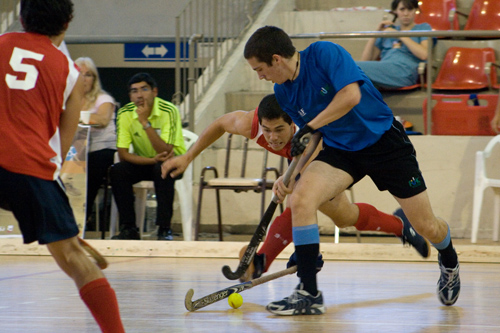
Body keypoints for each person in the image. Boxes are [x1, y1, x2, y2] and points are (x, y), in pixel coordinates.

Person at [244, 26, 460, 315]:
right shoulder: (282, 92)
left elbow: (350, 97)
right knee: (301, 199)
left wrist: (309, 127)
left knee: (427, 226)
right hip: (341, 150)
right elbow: (312, 137)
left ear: (276, 59)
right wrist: (290, 177)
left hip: (384, 143)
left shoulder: (325, 54)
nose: (260, 76)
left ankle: (449, 258)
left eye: (260, 69)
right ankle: (308, 291)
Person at [162, 94, 430, 282]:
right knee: (345, 216)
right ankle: (400, 225)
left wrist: (290, 178)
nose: (272, 138)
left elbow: (309, 169)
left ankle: (263, 262)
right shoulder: (250, 124)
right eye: (267, 130)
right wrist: (187, 157)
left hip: (328, 159)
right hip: (299, 162)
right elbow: (220, 124)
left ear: (292, 124)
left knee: (308, 203)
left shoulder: (307, 129)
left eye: (279, 130)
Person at [0, 1, 124, 332]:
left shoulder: (0, 43)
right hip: (29, 167)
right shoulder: (72, 73)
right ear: (67, 23)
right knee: (75, 260)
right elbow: (63, 141)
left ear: (22, 17)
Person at [110, 72, 186, 240]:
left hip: (174, 162)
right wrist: (151, 160)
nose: (139, 95)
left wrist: (145, 123)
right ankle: (129, 228)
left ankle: (164, 228)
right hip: (146, 161)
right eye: (134, 91)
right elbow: (123, 154)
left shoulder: (169, 110)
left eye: (144, 89)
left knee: (163, 168)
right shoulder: (125, 113)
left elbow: (166, 152)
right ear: (130, 95)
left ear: (155, 92)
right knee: (118, 170)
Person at [74, 57, 117, 231]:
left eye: (88, 75)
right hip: (75, 148)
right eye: (80, 74)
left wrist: (74, 117)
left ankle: (85, 212)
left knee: (90, 162)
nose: (84, 78)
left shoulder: (103, 98)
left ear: (94, 79)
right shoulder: (67, 99)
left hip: (102, 149)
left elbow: (103, 119)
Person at [355, 0, 431, 90]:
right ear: (395, 11)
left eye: (410, 9)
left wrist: (398, 34)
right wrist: (376, 33)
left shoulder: (423, 28)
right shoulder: (389, 31)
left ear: (415, 10)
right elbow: (365, 60)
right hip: (384, 70)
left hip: (405, 71)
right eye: (402, 9)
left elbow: (424, 55)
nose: (406, 14)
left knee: (350, 67)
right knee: (356, 78)